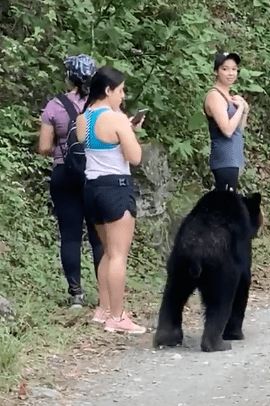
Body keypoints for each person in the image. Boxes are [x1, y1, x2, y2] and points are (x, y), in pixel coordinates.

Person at [76, 66, 146, 334]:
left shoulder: (84, 118)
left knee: (107, 251)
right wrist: (129, 131)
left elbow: (100, 142)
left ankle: (104, 309)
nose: (123, 96)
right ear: (108, 90)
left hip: (92, 187)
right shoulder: (115, 119)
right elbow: (135, 157)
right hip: (116, 187)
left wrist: (125, 127)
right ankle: (117, 317)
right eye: (120, 90)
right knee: (118, 255)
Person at [38, 54, 103, 308]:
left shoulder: (54, 106)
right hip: (94, 172)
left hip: (64, 172)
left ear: (69, 77)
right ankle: (106, 294)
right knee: (98, 236)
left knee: (70, 235)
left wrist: (61, 143)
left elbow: (44, 147)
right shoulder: (100, 105)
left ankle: (76, 294)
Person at [204, 51, 250, 192]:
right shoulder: (214, 96)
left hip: (234, 159)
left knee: (227, 207)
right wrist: (240, 108)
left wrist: (245, 111)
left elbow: (239, 129)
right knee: (226, 208)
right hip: (224, 160)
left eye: (234, 69)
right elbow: (227, 130)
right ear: (216, 71)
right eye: (225, 69)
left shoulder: (229, 97)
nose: (230, 73)